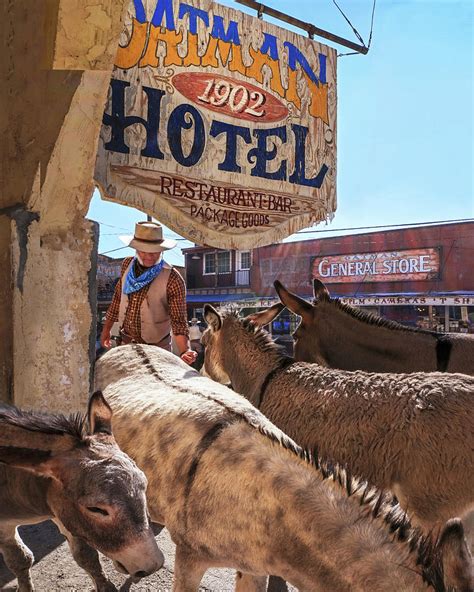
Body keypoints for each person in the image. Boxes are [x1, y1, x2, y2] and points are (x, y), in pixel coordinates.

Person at [100, 221, 197, 365]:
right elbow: (117, 300)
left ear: (162, 250)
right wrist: (106, 329)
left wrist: (185, 351)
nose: (149, 256)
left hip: (158, 350)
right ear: (136, 249)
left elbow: (178, 320)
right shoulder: (127, 265)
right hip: (126, 345)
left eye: (154, 251)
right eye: (144, 250)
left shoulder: (173, 278)